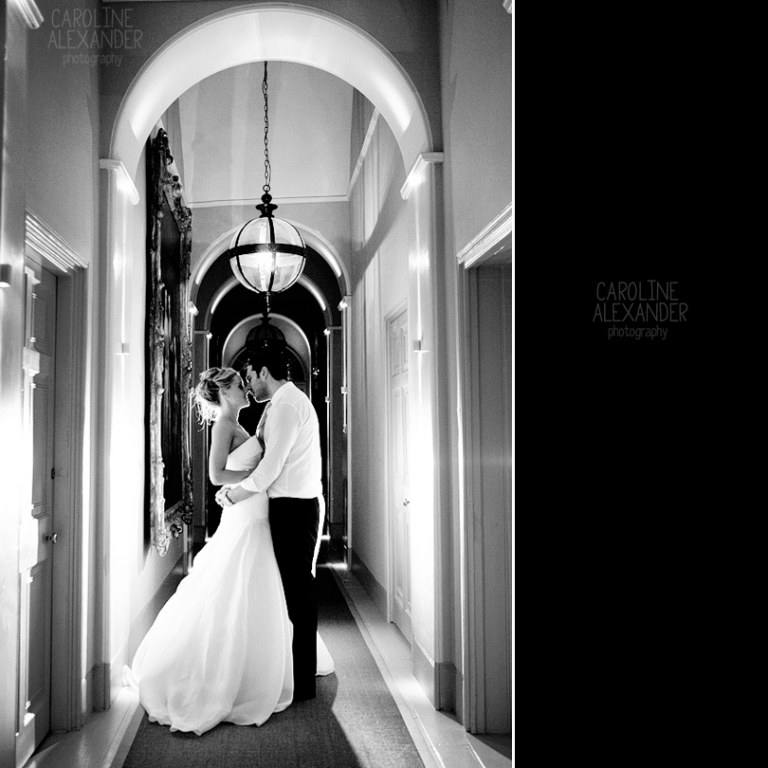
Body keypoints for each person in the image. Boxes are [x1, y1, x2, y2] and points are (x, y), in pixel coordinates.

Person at [125, 366, 330, 735]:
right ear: (223, 392)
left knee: (260, 590)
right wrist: (248, 485)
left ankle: (262, 662)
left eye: (245, 381)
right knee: (235, 588)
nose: (246, 388)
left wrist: (254, 483)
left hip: (256, 510)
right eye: (239, 384)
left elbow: (260, 466)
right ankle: (232, 671)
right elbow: (217, 475)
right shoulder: (224, 425)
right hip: (247, 513)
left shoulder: (245, 421)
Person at [216, 345, 324, 701]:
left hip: (295, 508)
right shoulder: (277, 407)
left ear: (264, 372)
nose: (249, 385)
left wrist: (233, 495)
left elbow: (269, 469)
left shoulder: (288, 407)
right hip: (285, 506)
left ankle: (303, 680)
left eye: (250, 377)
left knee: (298, 592)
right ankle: (288, 668)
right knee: (289, 590)